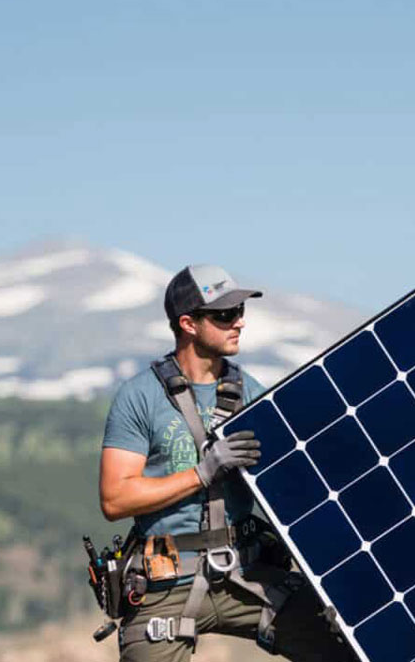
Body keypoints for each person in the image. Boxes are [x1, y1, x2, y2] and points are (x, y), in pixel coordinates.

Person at [99, 265, 355, 662]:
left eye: (239, 311)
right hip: (167, 581)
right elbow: (115, 499)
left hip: (248, 573)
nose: (239, 322)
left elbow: (298, 484)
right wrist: (202, 473)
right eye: (224, 314)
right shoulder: (140, 397)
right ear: (188, 324)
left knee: (349, 647)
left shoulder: (252, 392)